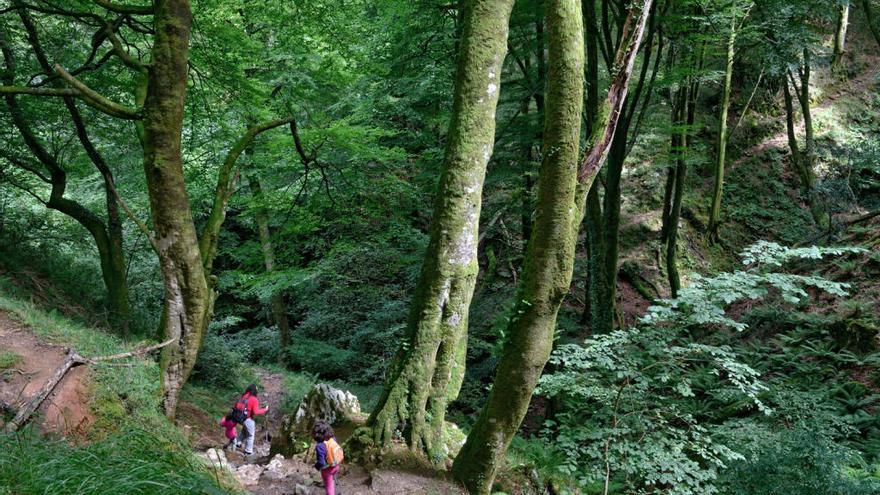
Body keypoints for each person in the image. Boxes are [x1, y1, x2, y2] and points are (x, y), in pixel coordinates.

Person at [235, 384, 268, 456]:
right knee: (250, 435)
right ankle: (248, 451)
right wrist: (264, 410)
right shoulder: (254, 399)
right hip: (248, 418)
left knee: (244, 431)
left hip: (240, 417)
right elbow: (256, 412)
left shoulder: (244, 396)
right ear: (255, 391)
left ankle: (238, 443)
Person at [313, 420, 343, 495]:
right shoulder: (333, 438)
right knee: (332, 480)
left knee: (329, 486)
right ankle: (336, 485)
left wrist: (316, 466)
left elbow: (321, 462)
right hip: (336, 465)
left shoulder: (319, 446)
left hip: (328, 470)